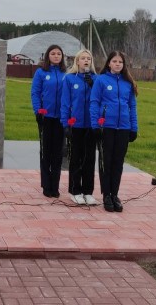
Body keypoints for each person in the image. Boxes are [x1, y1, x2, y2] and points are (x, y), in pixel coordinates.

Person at [90, 51, 138, 213]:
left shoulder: (127, 83)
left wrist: (133, 128)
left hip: (123, 128)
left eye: (120, 62)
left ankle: (115, 194)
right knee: (106, 163)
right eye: (115, 61)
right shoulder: (101, 80)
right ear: (109, 63)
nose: (118, 64)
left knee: (118, 163)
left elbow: (132, 106)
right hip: (106, 127)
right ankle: (106, 195)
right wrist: (95, 125)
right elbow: (94, 102)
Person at [60, 49, 98, 206]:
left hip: (91, 125)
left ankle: (88, 192)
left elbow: (100, 99)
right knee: (76, 158)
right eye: (83, 58)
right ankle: (75, 191)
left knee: (89, 158)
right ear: (77, 61)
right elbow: (65, 102)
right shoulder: (69, 79)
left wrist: (92, 85)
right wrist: (65, 123)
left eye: (88, 58)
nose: (86, 61)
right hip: (76, 124)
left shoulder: (96, 79)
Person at [31, 44, 66, 198]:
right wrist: (38, 110)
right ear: (48, 56)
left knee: (58, 153)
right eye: (53, 53)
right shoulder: (41, 72)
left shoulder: (66, 74)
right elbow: (35, 93)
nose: (56, 56)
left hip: (61, 118)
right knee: (46, 151)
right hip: (46, 117)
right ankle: (46, 184)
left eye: (59, 54)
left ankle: (55, 185)